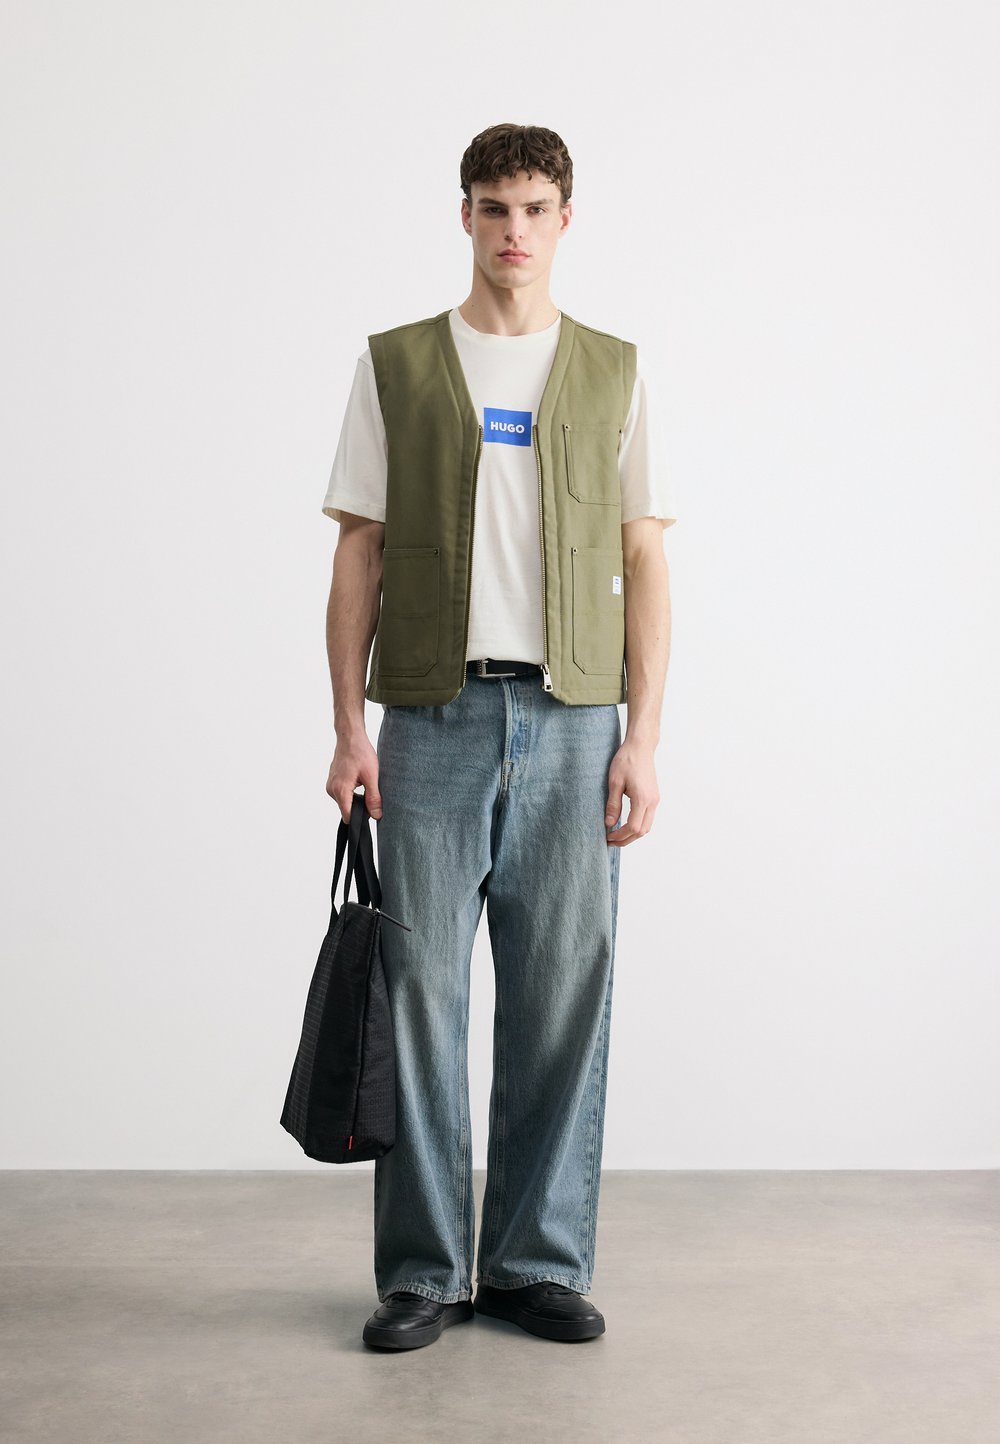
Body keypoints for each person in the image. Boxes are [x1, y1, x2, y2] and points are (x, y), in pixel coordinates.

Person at [321, 122, 676, 1351]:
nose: (512, 230)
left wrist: (643, 737)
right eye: (491, 207)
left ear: (564, 220)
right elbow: (358, 551)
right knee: (419, 996)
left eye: (532, 208)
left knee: (561, 995)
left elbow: (644, 558)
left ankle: (533, 1263)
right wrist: (347, 726)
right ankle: (425, 1273)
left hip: (577, 722)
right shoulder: (398, 364)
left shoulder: (614, 370)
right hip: (429, 717)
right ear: (464, 216)